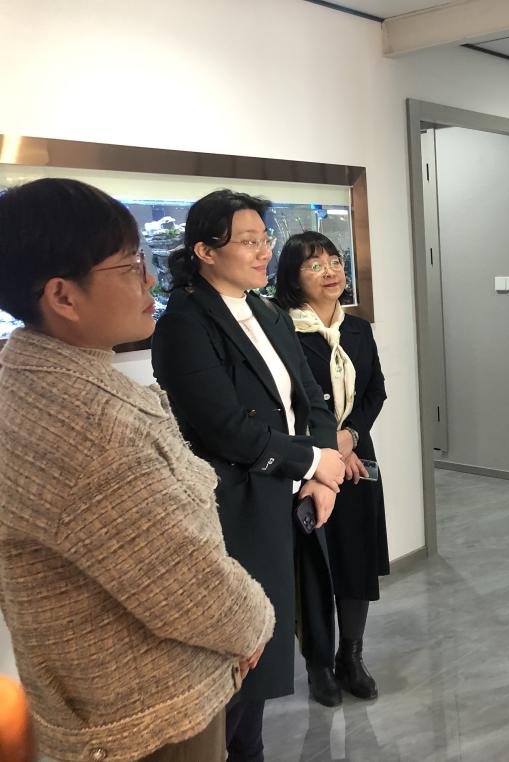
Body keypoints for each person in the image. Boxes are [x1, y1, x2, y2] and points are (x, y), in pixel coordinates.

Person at [0, 178, 275, 761]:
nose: (149, 279)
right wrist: (252, 625)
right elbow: (182, 582)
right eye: (129, 266)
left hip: (100, 700)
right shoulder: (87, 426)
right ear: (63, 296)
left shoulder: (31, 383)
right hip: (146, 710)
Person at [150, 190, 344, 761]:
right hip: (237, 506)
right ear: (205, 251)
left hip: (291, 498)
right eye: (249, 241)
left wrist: (321, 475)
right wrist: (314, 463)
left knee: (271, 643)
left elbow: (312, 398)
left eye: (266, 238)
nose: (265, 252)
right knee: (239, 658)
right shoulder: (185, 322)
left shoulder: (265, 310)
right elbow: (226, 429)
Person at [274, 231, 390, 706]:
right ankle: (318, 664)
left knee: (355, 558)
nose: (331, 272)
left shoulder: (358, 329)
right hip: (306, 465)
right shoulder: (280, 329)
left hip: (356, 460)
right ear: (292, 276)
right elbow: (284, 403)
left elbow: (375, 391)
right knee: (314, 565)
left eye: (335, 261)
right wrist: (327, 449)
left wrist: (350, 438)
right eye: (315, 265)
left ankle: (352, 656)